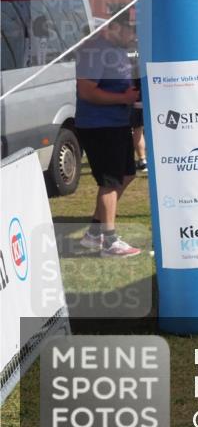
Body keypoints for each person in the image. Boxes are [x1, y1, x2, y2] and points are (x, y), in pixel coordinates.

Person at [76, 19, 143, 258]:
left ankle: (94, 234)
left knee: (126, 175)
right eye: (130, 30)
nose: (133, 36)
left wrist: (131, 96)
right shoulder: (94, 50)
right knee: (110, 182)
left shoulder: (118, 51)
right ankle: (110, 241)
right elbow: (86, 91)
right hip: (98, 126)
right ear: (114, 28)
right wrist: (122, 99)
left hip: (117, 123)